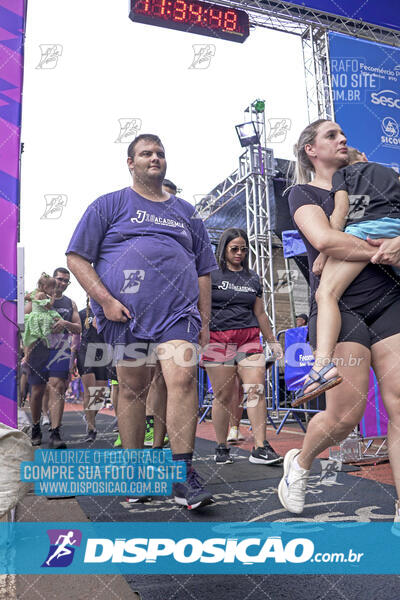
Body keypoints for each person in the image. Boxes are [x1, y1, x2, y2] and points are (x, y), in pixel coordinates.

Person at [66, 133, 218, 510]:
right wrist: (105, 301)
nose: (155, 158)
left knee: (181, 378)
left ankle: (183, 475)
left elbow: (203, 270)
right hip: (126, 315)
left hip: (178, 314)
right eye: (146, 153)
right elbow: (77, 258)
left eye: (160, 154)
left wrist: (204, 318)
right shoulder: (108, 205)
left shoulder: (187, 212)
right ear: (130, 163)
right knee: (133, 388)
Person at [277, 119, 400, 524]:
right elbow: (326, 241)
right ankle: (301, 461)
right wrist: (384, 247)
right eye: (331, 135)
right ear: (310, 149)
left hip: (390, 299)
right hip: (340, 309)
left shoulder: (376, 180)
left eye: (345, 134)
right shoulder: (303, 192)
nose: (342, 139)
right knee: (345, 417)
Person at [294, 147, 400, 406]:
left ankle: (322, 366)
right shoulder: (391, 172)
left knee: (326, 293)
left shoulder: (345, 175)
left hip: (366, 230)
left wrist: (325, 253)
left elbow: (340, 211)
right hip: (395, 230)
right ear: (365, 156)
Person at [201, 228, 284, 465]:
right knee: (223, 396)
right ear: (224, 249)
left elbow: (260, 312)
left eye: (243, 249)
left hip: (248, 338)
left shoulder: (253, 278)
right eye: (234, 249)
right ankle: (221, 447)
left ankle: (260, 447)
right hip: (218, 340)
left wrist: (273, 341)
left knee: (256, 388)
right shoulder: (210, 275)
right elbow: (202, 309)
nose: (239, 253)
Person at [26, 268, 81, 448]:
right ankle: (35, 427)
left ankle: (55, 432)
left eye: (66, 281)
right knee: (37, 390)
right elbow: (24, 317)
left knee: (57, 387)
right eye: (60, 279)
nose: (62, 283)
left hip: (60, 347)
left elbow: (79, 328)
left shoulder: (70, 303)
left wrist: (65, 323)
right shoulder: (37, 296)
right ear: (52, 279)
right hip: (38, 347)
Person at [74, 297, 113, 443]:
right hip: (86, 351)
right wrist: (72, 357)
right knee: (90, 390)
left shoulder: (107, 312)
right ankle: (91, 428)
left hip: (102, 351)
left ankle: (89, 415)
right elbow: (76, 336)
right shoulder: (83, 313)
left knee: (100, 394)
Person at [22, 273, 61, 364]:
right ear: (45, 287)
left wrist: (31, 298)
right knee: (51, 327)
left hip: (33, 316)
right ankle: (51, 346)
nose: (54, 290)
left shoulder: (35, 292)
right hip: (41, 317)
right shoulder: (42, 295)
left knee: (31, 338)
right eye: (52, 288)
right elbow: (48, 306)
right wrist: (53, 299)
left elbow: (26, 297)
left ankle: (26, 356)